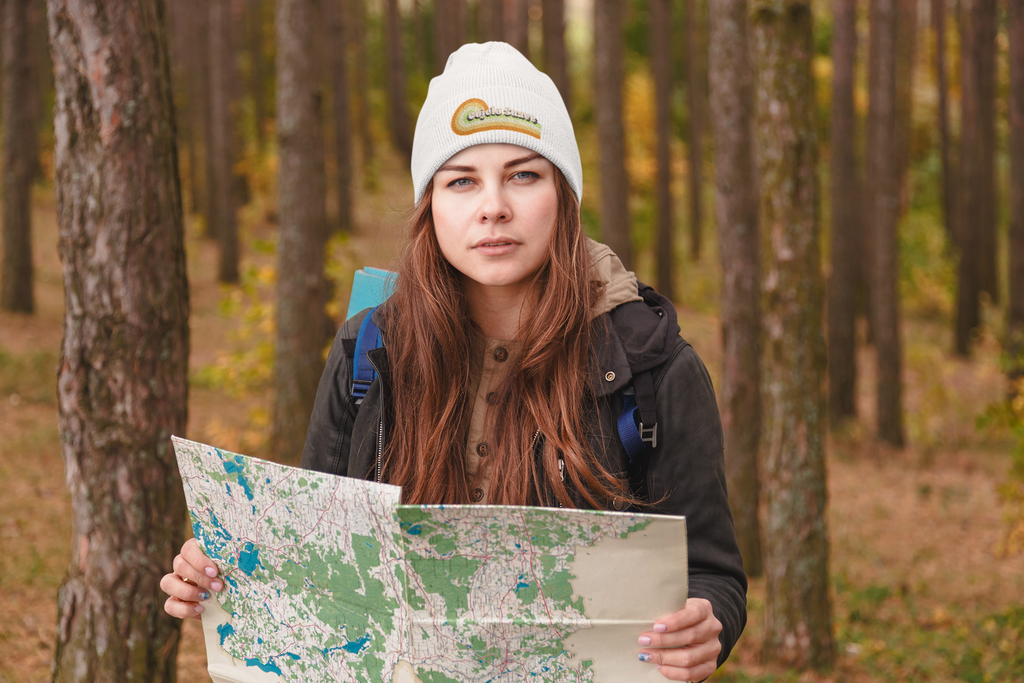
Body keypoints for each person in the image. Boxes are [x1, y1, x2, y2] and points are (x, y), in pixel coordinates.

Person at [161, 42, 746, 681]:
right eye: (462, 180)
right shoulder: (368, 350)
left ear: (563, 197)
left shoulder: (651, 367)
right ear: (431, 205)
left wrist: (704, 622)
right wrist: (222, 573)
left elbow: (713, 574)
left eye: (524, 174)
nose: (493, 205)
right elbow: (315, 555)